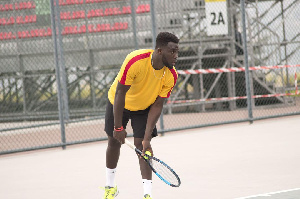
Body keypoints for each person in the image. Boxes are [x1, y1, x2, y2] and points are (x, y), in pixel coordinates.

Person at [102, 32, 180, 199]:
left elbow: (158, 104)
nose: (176, 56)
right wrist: (118, 127)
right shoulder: (135, 60)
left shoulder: (171, 75)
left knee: (143, 149)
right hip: (119, 101)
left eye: (177, 51)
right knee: (114, 142)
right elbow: (120, 93)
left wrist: (146, 138)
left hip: (145, 106)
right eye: (172, 51)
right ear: (159, 51)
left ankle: (147, 195)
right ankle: (110, 187)